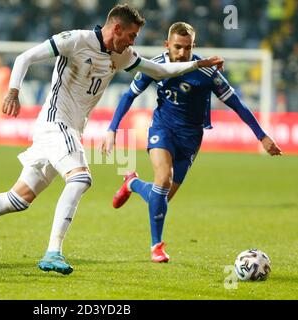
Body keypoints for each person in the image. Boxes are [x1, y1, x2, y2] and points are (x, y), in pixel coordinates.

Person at [0, 6, 224, 275]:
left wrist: (196, 65)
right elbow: (24, 57)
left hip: (66, 130)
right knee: (81, 178)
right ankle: (53, 252)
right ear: (116, 29)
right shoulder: (75, 40)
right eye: (131, 35)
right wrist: (13, 91)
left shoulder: (121, 55)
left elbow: (159, 70)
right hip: (56, 123)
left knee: (17, 200)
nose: (133, 41)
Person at [102, 22, 282, 263]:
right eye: (177, 47)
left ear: (193, 46)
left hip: (191, 139)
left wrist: (262, 136)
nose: (182, 53)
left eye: (187, 48)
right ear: (167, 45)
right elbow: (128, 95)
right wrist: (113, 128)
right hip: (162, 129)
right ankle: (157, 246)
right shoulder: (155, 66)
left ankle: (132, 183)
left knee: (161, 197)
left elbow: (236, 104)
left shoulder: (207, 72)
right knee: (163, 179)